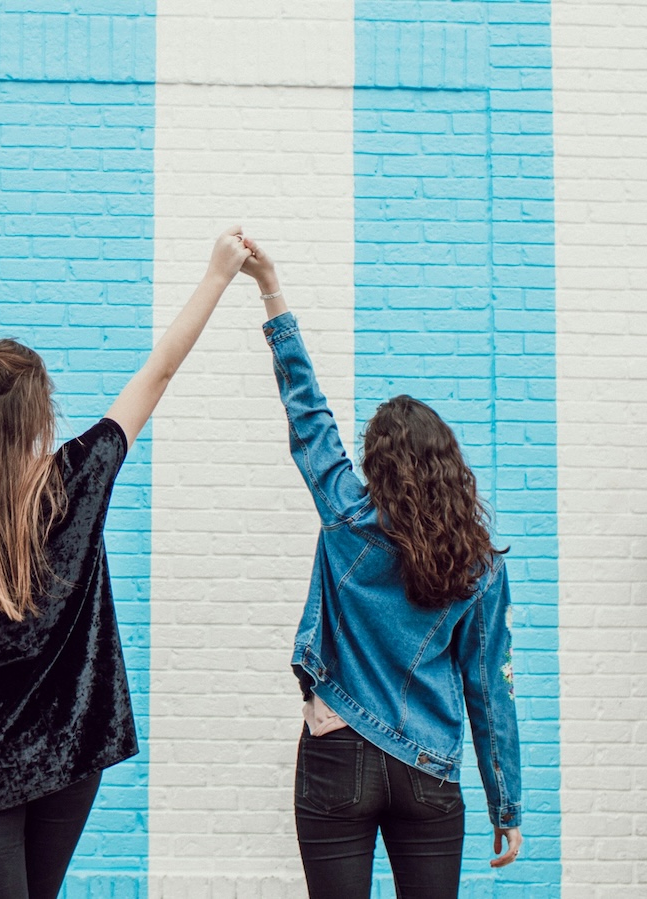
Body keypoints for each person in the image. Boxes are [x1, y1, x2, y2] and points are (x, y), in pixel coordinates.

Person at [0, 227, 253, 899]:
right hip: (69, 751)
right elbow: (160, 371)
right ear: (39, 409)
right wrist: (217, 275)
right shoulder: (77, 478)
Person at [233, 236, 524, 896]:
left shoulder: (345, 513)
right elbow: (490, 688)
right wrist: (505, 805)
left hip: (337, 746)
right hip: (429, 768)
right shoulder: (479, 567)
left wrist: (271, 287)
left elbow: (307, 411)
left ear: (375, 464)